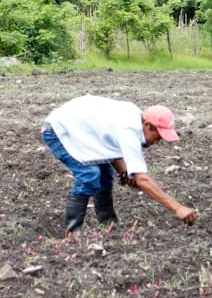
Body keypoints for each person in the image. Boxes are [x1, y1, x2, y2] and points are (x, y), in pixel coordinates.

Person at [41, 95, 197, 236]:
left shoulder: (135, 119)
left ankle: (108, 221)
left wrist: (124, 171)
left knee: (104, 174)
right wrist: (177, 207)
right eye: (157, 137)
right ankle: (73, 233)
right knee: (90, 174)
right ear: (148, 125)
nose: (157, 142)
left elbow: (109, 144)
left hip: (83, 131)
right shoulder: (129, 130)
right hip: (59, 130)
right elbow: (143, 179)